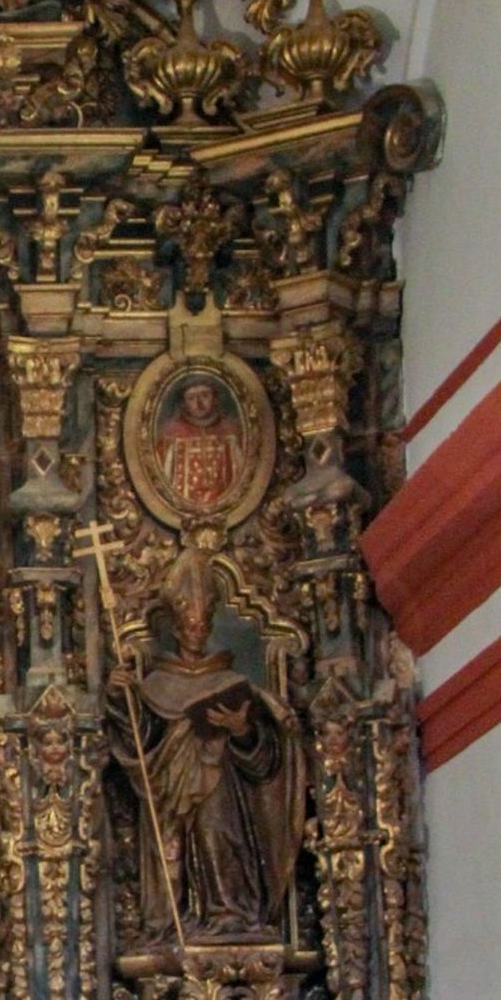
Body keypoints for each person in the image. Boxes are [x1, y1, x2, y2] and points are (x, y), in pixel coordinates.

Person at [106, 549, 306, 942]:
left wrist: (240, 729)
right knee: (179, 848)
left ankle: (230, 911)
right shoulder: (157, 683)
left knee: (221, 838)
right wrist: (120, 698)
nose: (196, 633)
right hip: (172, 790)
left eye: (203, 625)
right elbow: (141, 743)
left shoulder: (229, 679)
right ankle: (182, 920)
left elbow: (265, 761)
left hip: (223, 786)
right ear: (177, 630)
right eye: (190, 626)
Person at [155, 376, 243, 512]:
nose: (199, 403)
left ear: (215, 398)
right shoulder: (171, 435)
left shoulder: (231, 432)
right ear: (184, 404)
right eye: (191, 398)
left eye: (205, 395)